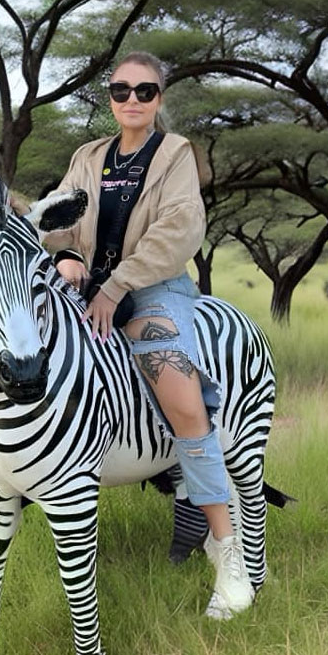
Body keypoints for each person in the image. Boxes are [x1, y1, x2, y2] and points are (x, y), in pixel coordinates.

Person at [45, 49, 255, 620]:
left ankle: (227, 552)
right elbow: (59, 219)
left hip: (154, 288)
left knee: (183, 401)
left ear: (159, 99)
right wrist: (65, 255)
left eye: (144, 91)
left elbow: (178, 229)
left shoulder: (176, 153)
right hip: (86, 285)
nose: (132, 100)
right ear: (108, 98)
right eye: (120, 91)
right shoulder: (87, 157)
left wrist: (117, 289)